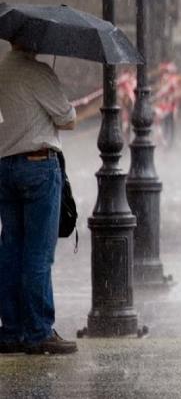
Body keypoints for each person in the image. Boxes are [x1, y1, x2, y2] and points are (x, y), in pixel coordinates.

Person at [0, 42, 78, 355]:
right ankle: (38, 331)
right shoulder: (38, 72)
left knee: (10, 251)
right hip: (37, 167)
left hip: (4, 168)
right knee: (37, 254)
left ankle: (12, 330)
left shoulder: (2, 71)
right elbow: (68, 119)